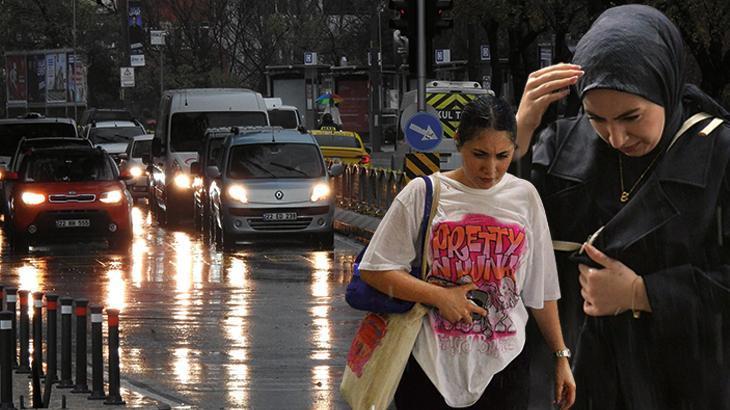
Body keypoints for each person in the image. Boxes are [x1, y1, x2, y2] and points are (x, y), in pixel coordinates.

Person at [516, 5, 730, 409]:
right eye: (596, 118)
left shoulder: (718, 152)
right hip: (578, 376)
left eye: (632, 117)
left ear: (665, 86)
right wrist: (518, 136)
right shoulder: (560, 145)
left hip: (683, 380)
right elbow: (503, 238)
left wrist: (644, 293)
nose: (616, 137)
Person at [359, 94, 576, 409]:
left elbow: (541, 290)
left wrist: (561, 355)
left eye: (502, 156)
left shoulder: (525, 196)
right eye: (479, 154)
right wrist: (440, 297)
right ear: (459, 142)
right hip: (428, 366)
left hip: (505, 368)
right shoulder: (423, 193)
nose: (491, 169)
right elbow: (374, 269)